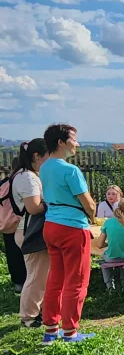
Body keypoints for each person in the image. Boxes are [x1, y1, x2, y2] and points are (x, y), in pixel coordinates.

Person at [39, 123, 97, 345]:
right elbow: (88, 204)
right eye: (73, 139)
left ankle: (50, 330)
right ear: (61, 142)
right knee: (77, 280)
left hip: (51, 224)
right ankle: (70, 332)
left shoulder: (44, 167)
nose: (77, 144)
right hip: (72, 226)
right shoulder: (70, 170)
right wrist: (92, 214)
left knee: (56, 278)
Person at [9, 139, 49, 328]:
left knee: (41, 274)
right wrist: (52, 203)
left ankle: (39, 311)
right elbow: (33, 208)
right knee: (36, 276)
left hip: (29, 230)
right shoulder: (28, 178)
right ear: (36, 156)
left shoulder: (26, 175)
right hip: (30, 231)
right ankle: (29, 316)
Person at [3, 156, 26, 295]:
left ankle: (18, 283)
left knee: (11, 252)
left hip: (5, 222)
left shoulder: (3, 183)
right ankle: (27, 281)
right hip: (19, 221)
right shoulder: (20, 182)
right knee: (25, 253)